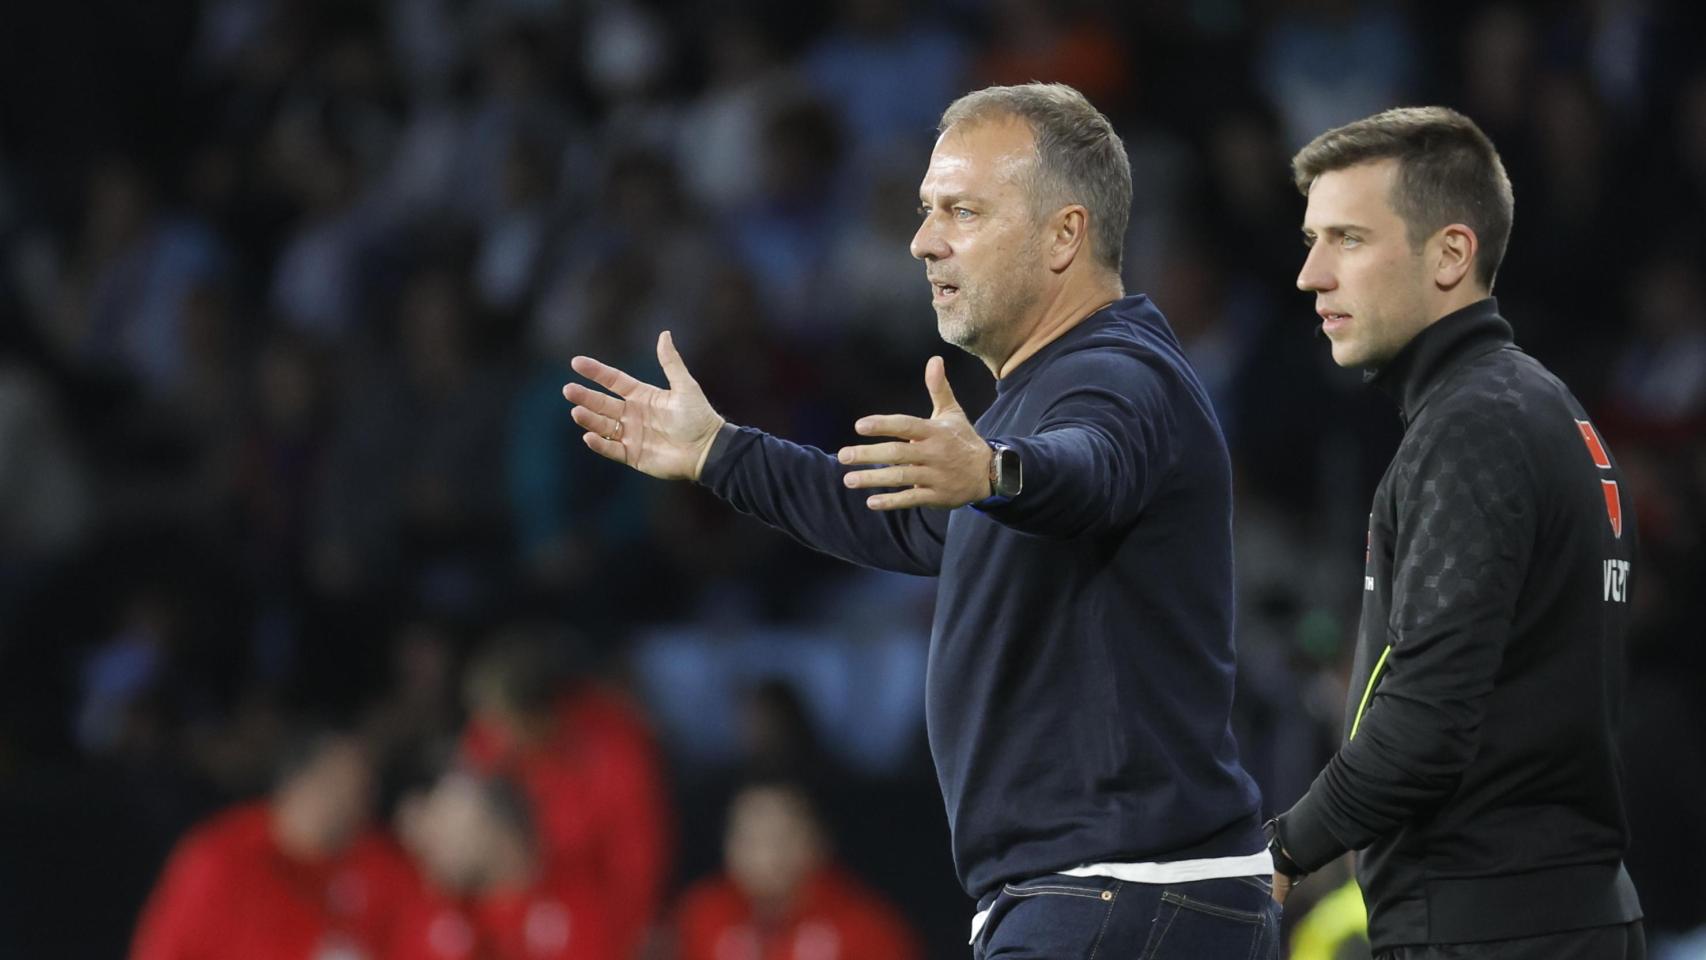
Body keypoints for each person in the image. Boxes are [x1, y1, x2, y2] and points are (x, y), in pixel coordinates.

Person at [564, 82, 1278, 957]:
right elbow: (905, 523)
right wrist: (720, 452)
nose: (923, 241)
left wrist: (996, 470)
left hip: (1115, 896)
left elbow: (1090, 467)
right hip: (1119, 895)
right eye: (925, 211)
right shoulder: (1050, 387)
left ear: (1065, 234)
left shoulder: (1115, 374)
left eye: (962, 211)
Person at [1266, 106, 1645, 959]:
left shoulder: (1475, 426)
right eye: (1312, 240)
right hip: (1553, 914)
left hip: (1494, 927)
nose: (1311, 275)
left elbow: (1424, 726)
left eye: (1348, 239)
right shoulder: (1535, 406)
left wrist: (1281, 853)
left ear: (1450, 254)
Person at [458, 631, 673, 958]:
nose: (490, 736)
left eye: (502, 723)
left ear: (539, 715)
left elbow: (637, 871)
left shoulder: (617, 750)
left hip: (592, 925)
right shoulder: (488, 744)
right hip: (507, 916)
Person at [130, 728, 415, 960]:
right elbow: (163, 950)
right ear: (299, 782)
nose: (354, 801)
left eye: (363, 790)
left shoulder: (376, 860)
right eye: (341, 785)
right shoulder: (221, 855)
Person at [673, 779, 923, 960]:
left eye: (781, 838)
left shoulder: (868, 928)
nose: (767, 856)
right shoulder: (700, 916)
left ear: (818, 840)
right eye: (751, 839)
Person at [390, 769, 617, 960]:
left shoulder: (577, 907)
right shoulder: (430, 920)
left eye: (451, 831)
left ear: (499, 835)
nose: (432, 845)